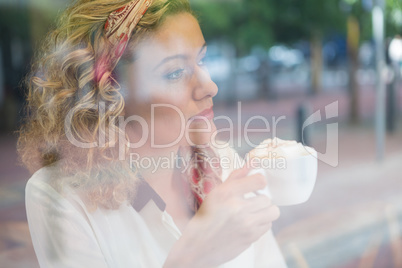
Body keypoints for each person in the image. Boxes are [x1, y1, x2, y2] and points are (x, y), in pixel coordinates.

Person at [18, 0, 287, 267]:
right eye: (175, 73)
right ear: (110, 97)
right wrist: (192, 258)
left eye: (201, 60)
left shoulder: (222, 163)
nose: (210, 87)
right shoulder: (59, 196)